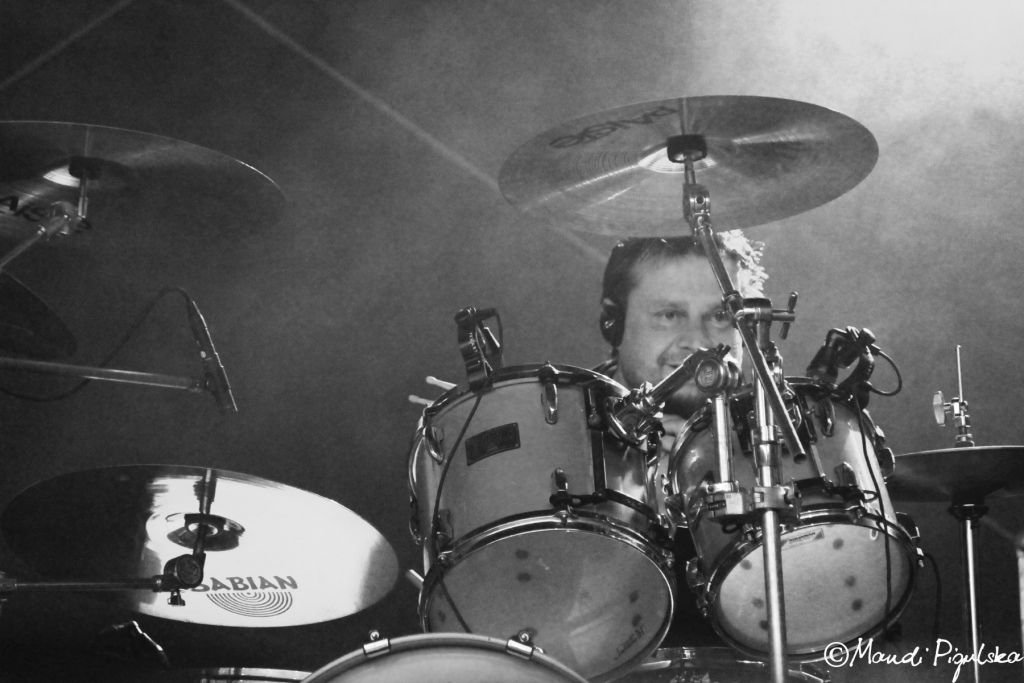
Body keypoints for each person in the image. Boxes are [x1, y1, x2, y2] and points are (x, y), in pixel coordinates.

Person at [595, 231, 767, 646]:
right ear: (612, 322)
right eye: (670, 315)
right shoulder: (552, 435)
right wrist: (634, 496)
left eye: (721, 316)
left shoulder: (774, 437)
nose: (699, 343)